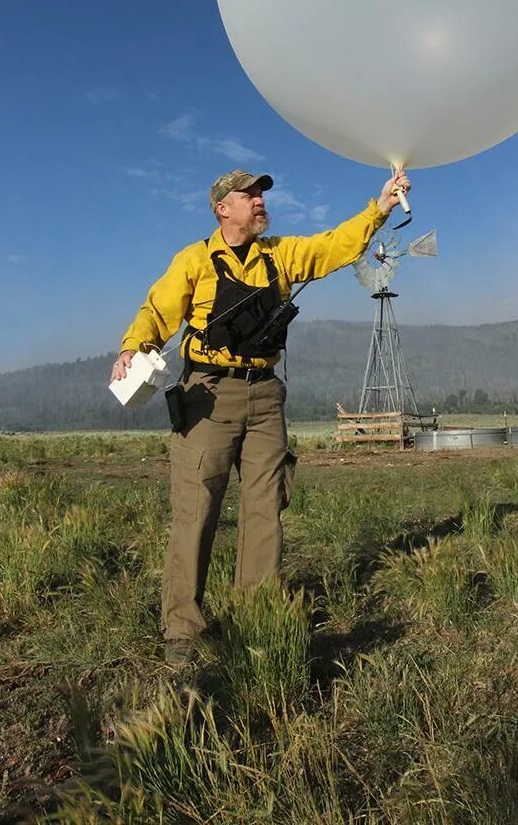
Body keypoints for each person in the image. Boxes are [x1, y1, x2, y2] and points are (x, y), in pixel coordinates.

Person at [111, 167, 411, 664]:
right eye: (247, 195)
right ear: (222, 208)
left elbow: (335, 246)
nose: (258, 201)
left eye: (260, 194)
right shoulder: (194, 261)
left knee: (265, 508)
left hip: (266, 397)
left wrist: (380, 208)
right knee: (196, 510)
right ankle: (182, 630)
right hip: (208, 397)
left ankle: (258, 618)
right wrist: (132, 347)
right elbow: (156, 312)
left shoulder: (281, 254)